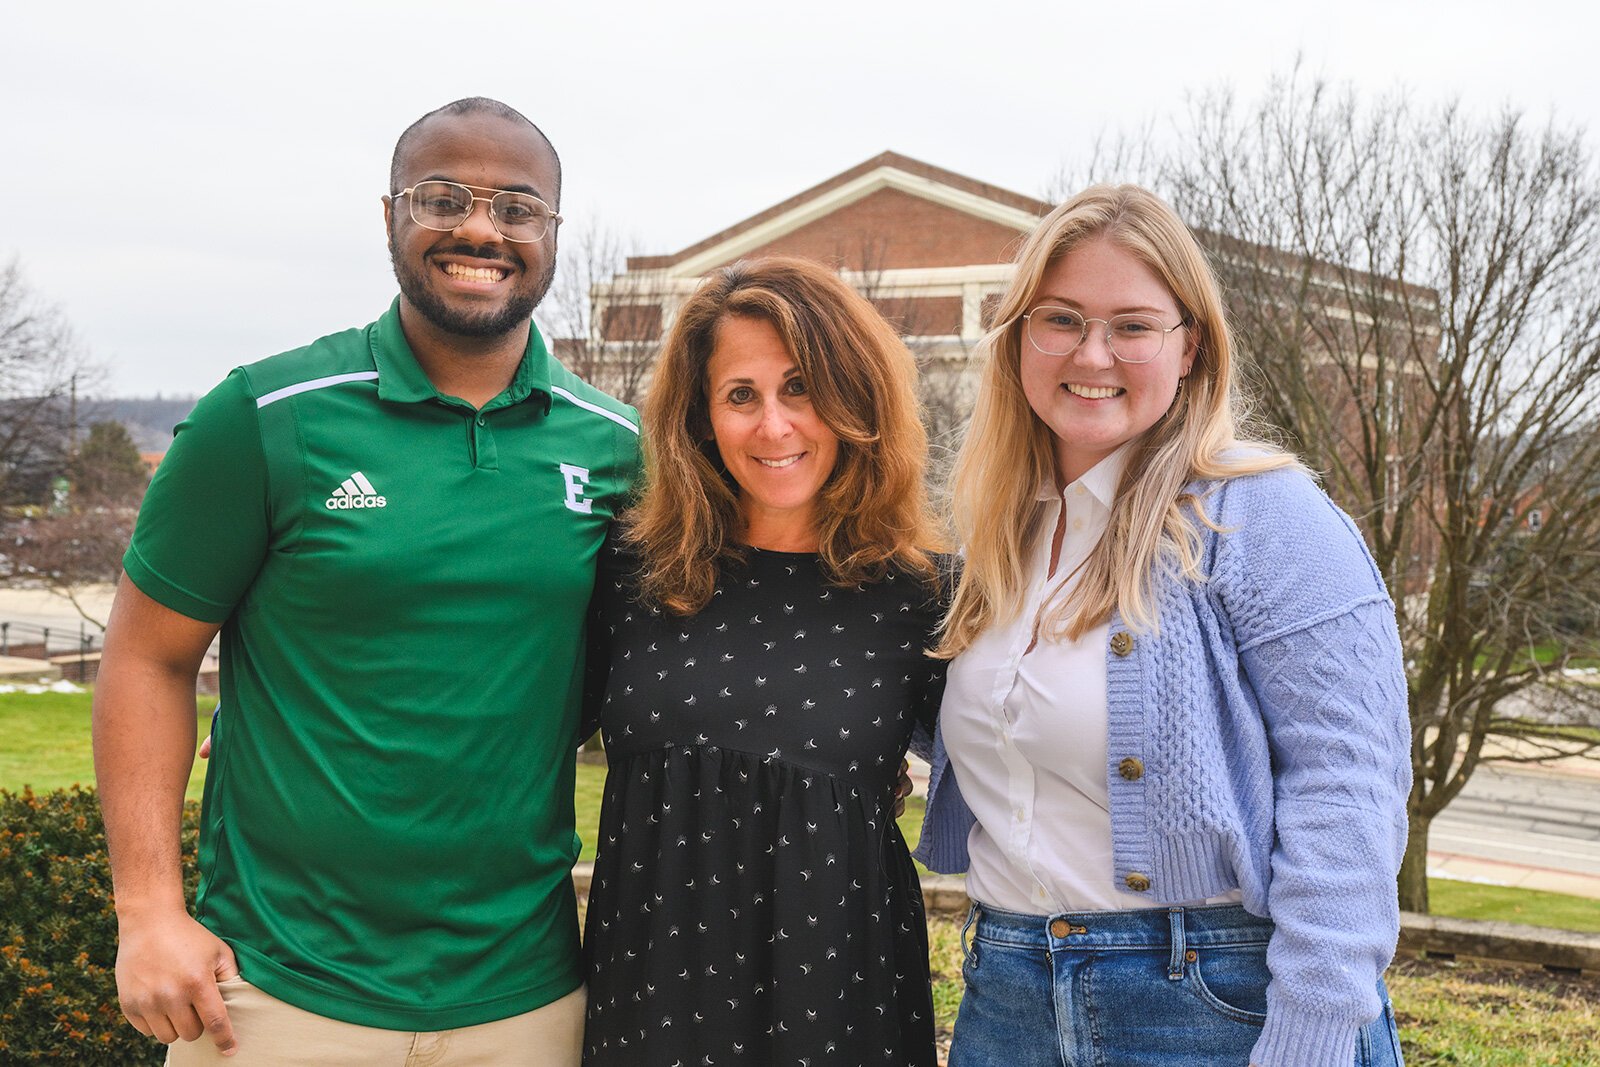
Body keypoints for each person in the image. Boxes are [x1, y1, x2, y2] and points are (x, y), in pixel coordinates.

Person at [92, 97, 639, 1066]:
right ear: (390, 214)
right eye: (445, 198)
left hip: (523, 999)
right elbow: (145, 655)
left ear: (552, 232)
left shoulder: (616, 448)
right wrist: (147, 911)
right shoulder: (265, 415)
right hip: (272, 993)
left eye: (518, 207)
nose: (481, 227)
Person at [915, 185, 1411, 1067]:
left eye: (1133, 325)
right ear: (1019, 337)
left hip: (1212, 1004)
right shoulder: (1004, 534)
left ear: (1190, 348)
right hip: (1010, 994)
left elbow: (1349, 788)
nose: (1092, 351)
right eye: (1060, 317)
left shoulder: (1264, 517)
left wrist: (1315, 1036)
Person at [579, 256, 948, 1066]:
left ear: (856, 398)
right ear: (701, 416)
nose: (774, 425)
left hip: (837, 1014)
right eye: (741, 394)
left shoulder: (922, 595)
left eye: (802, 388)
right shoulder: (630, 572)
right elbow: (499, 723)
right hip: (648, 1007)